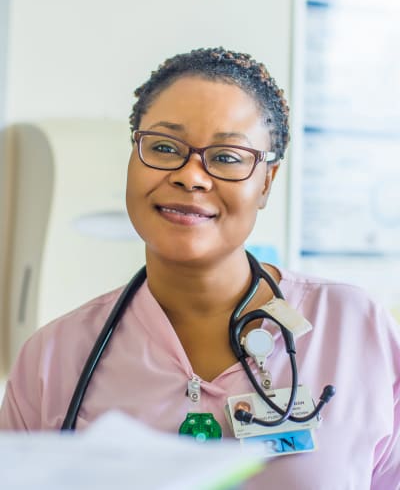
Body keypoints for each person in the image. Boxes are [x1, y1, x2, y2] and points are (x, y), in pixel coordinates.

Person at [0, 47, 399, 489]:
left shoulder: (354, 328)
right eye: (165, 147)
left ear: (266, 181)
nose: (191, 176)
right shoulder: (54, 358)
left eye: (227, 156)